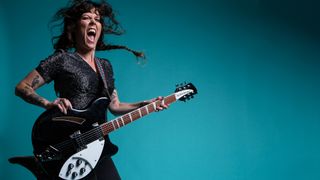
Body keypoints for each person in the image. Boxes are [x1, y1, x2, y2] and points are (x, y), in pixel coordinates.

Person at [15, 0, 168, 179]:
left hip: (98, 145)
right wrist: (48, 104)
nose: (94, 22)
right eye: (86, 18)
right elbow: (22, 87)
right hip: (69, 143)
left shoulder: (105, 66)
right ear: (73, 27)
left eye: (97, 19)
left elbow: (114, 106)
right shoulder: (62, 59)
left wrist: (144, 104)